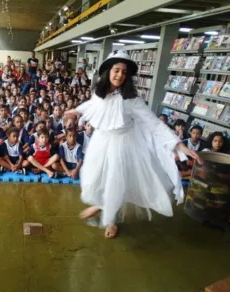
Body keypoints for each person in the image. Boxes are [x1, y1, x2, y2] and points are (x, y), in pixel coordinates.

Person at [64, 50, 200, 239]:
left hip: (123, 144)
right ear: (108, 71)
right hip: (101, 141)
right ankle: (102, 204)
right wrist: (77, 111)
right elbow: (92, 105)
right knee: (93, 177)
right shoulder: (99, 92)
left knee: (116, 181)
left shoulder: (132, 100)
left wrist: (179, 144)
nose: (120, 75)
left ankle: (111, 219)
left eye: (124, 72)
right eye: (116, 70)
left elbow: (154, 123)